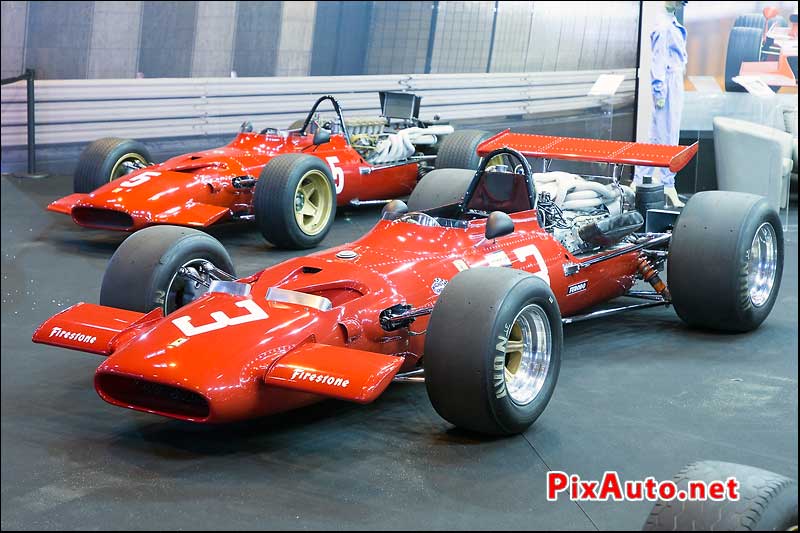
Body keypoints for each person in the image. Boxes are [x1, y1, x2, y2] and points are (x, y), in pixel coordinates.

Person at [634, 0, 688, 207]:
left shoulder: (670, 22)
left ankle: (641, 178)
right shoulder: (663, 26)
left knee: (658, 135)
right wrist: (660, 90)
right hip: (668, 81)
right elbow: (658, 61)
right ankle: (667, 183)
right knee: (667, 135)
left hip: (672, 80)